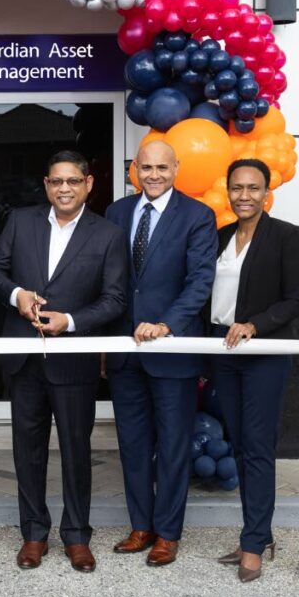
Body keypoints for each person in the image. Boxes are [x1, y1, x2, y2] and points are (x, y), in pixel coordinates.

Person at [0, 150, 127, 573]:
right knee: (26, 451)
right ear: (46, 185)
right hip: (23, 358)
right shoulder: (21, 221)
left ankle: (77, 536)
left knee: (76, 451)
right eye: (56, 181)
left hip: (74, 361)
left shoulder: (108, 235)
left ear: (88, 185)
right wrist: (17, 295)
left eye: (73, 181)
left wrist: (72, 321)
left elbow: (115, 299)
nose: (64, 188)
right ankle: (33, 534)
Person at [104, 140, 217, 567]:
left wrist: (167, 324)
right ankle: (141, 525)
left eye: (162, 168)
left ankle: (168, 532)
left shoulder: (197, 216)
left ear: (177, 168)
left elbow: (200, 282)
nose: (153, 175)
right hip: (124, 353)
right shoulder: (116, 212)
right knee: (132, 443)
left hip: (171, 350)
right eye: (145, 167)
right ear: (134, 168)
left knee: (172, 445)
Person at [208, 159, 299, 583]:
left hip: (263, 354)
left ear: (267, 192)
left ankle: (253, 543)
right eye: (236, 188)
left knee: (259, 448)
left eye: (252, 188)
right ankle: (258, 533)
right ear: (227, 191)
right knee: (241, 446)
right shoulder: (220, 236)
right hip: (223, 355)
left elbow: (296, 300)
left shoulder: (286, 236)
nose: (243, 195)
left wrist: (255, 325)